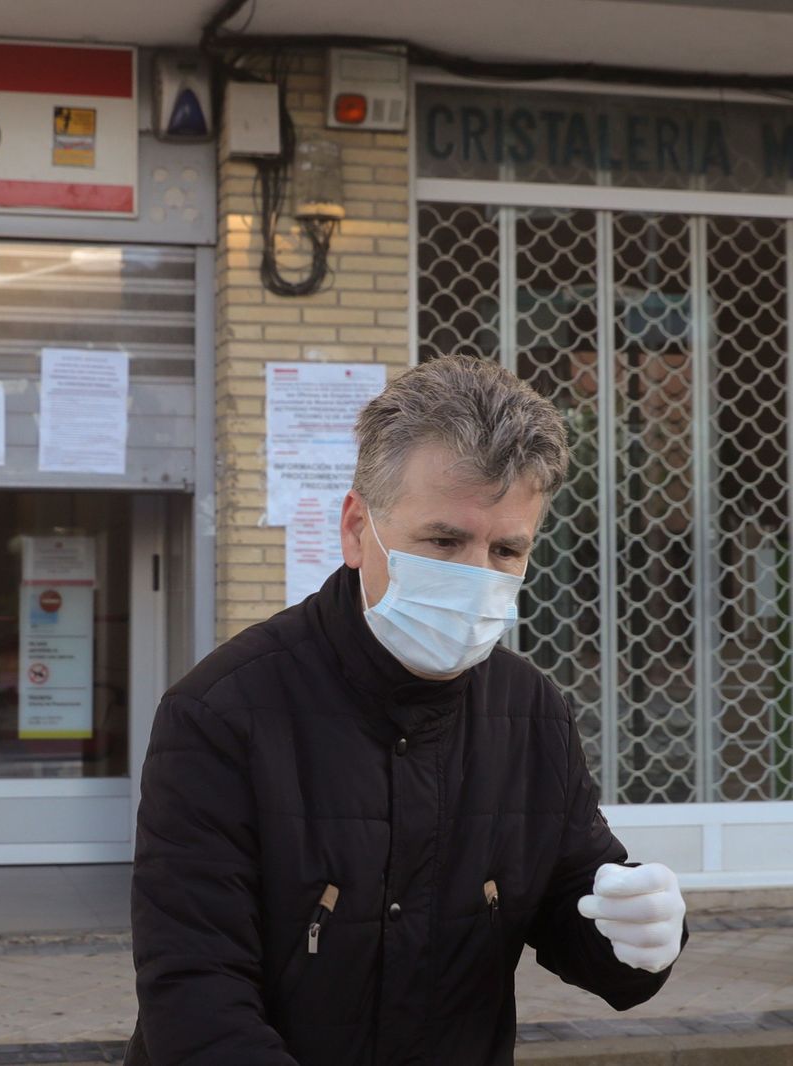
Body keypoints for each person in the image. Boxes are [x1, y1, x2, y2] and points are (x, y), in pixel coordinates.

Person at [127, 355, 686, 1065]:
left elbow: (579, 906)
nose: (476, 575)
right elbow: (195, 997)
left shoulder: (530, 711)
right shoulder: (222, 714)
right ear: (358, 529)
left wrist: (637, 936)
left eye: (507, 548)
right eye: (445, 541)